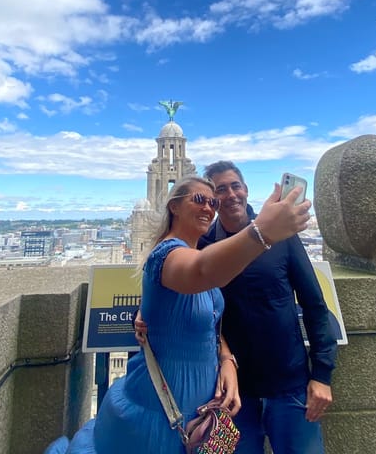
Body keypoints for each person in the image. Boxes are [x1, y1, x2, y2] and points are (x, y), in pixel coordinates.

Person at [45, 174, 311, 454]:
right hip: (161, 404)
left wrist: (226, 360)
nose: (209, 207)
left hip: (201, 403)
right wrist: (263, 231)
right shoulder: (167, 253)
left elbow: (207, 321)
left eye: (212, 202)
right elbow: (202, 271)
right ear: (174, 206)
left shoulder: (198, 249)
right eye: (199, 199)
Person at [197, 161, 338, 454]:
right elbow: (177, 295)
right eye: (220, 189)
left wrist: (322, 375)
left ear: (246, 190)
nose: (231, 194)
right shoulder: (202, 247)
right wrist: (143, 316)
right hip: (230, 393)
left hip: (289, 386)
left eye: (236, 186)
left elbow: (314, 304)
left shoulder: (281, 236)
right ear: (212, 200)